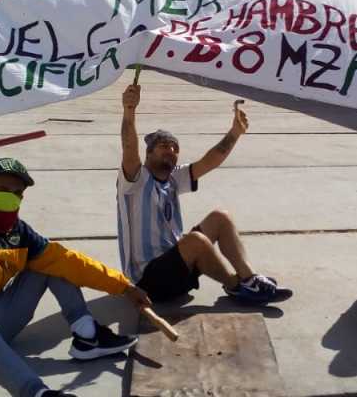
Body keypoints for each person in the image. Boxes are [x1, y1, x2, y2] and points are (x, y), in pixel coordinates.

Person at [0, 145, 151, 397]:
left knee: (54, 261)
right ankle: (37, 393)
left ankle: (87, 336)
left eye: (17, 192)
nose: (11, 196)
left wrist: (124, 286)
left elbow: (69, 261)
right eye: (3, 190)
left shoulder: (20, 233)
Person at [116, 84, 292, 304]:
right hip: (147, 282)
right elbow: (129, 148)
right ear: (149, 153)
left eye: (175, 148)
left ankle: (249, 278)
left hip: (177, 269)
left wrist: (235, 133)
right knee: (195, 240)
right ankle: (236, 286)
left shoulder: (173, 178)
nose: (171, 151)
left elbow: (210, 161)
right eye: (163, 146)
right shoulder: (135, 179)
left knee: (220, 217)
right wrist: (129, 110)